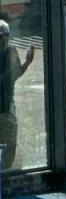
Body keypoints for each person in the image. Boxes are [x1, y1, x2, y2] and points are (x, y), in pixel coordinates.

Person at [0, 20, 35, 171]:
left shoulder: (12, 52)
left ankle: (6, 173)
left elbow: (15, 75)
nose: (3, 39)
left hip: (8, 107)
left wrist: (27, 62)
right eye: (0, 36)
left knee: (11, 143)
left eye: (6, 35)